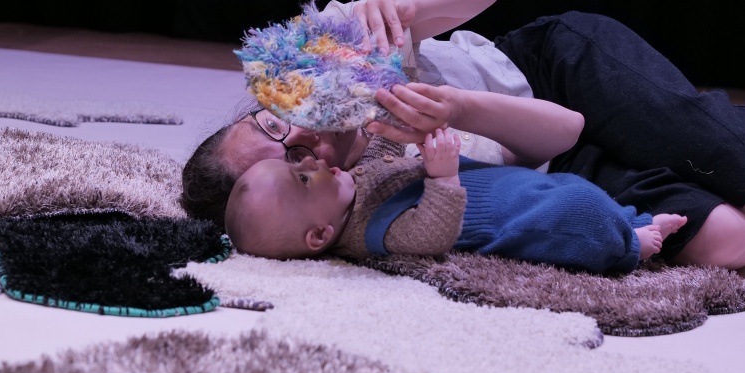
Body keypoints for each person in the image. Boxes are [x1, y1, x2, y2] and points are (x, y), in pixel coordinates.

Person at [182, 0, 745, 266]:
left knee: (706, 144)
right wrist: (454, 116)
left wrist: (408, 5)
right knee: (723, 243)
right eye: (291, 166)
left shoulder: (335, 49)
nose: (303, 144)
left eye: (269, 125)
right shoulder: (372, 202)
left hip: (550, 70)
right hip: (556, 156)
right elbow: (560, 141)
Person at [226, 124, 690, 272]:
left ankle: (631, 219)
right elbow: (433, 232)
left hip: (499, 184)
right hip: (504, 216)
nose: (311, 163)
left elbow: (385, 158)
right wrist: (443, 175)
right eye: (303, 180)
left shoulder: (345, 191)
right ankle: (629, 245)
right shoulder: (372, 234)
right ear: (320, 235)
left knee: (565, 188)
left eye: (300, 163)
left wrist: (388, 122)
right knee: (571, 213)